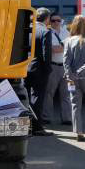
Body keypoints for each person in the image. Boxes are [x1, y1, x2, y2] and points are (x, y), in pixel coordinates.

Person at [24, 7, 52, 135]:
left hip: (24, 67)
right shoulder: (45, 31)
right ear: (47, 19)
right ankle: (36, 128)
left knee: (25, 98)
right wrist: (48, 69)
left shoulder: (26, 29)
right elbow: (47, 54)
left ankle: (25, 126)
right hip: (39, 69)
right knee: (37, 98)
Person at [41, 12, 72, 125]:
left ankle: (67, 118)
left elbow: (71, 47)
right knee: (49, 93)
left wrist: (61, 47)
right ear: (50, 21)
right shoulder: (48, 32)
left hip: (65, 67)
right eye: (53, 20)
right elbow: (53, 50)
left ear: (61, 20)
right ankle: (46, 117)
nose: (56, 22)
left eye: (58, 20)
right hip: (53, 66)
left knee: (66, 94)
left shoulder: (66, 32)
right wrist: (66, 46)